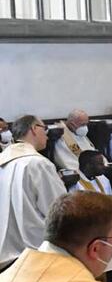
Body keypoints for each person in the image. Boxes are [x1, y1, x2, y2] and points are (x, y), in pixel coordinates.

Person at [0, 116, 67, 270]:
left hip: (4, 257)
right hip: (35, 254)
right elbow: (58, 210)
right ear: (33, 129)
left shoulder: (3, 161)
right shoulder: (38, 164)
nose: (47, 134)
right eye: (45, 128)